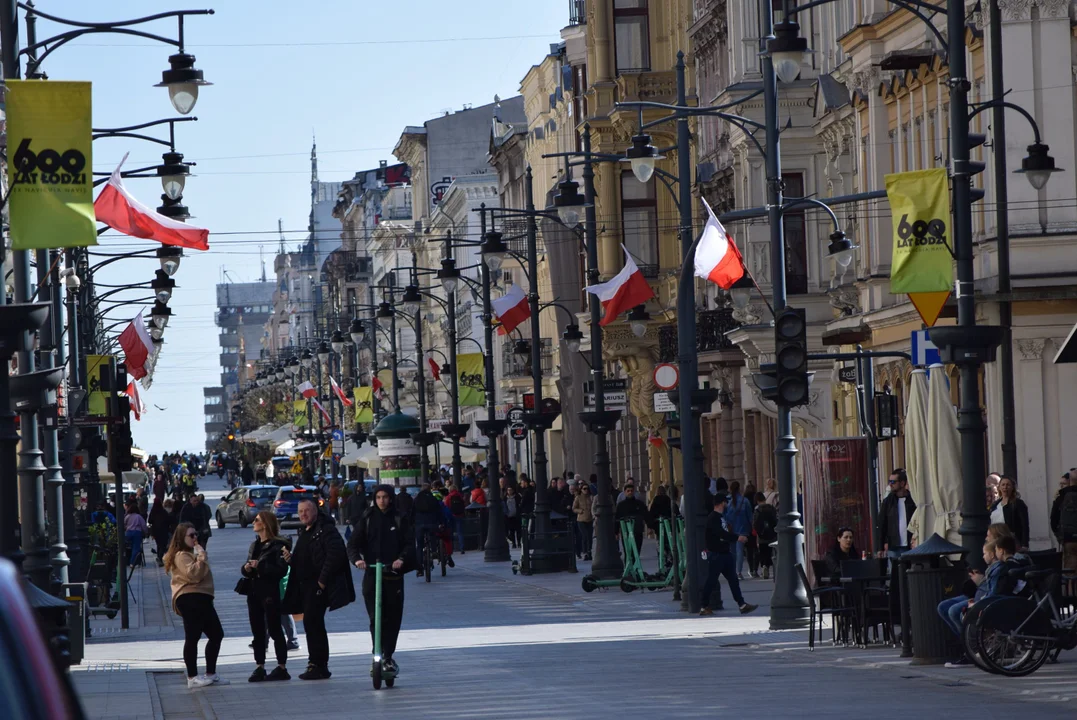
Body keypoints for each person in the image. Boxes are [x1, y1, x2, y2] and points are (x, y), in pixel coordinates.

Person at [281, 498, 355, 680]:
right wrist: (291, 559)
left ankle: (319, 665)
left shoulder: (325, 529)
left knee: (314, 623)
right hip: (305, 586)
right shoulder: (307, 531)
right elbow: (307, 557)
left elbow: (336, 554)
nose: (303, 514)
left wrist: (321, 582)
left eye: (306, 510)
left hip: (317, 586)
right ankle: (315, 663)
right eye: (300, 512)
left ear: (316, 511)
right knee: (311, 623)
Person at [347, 485, 414, 677]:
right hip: (372, 575)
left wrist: (401, 559)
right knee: (375, 618)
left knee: (393, 618)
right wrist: (358, 560)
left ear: (391, 498)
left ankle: (387, 655)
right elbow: (352, 544)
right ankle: (376, 653)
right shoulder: (367, 518)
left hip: (393, 576)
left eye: (385, 497)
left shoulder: (399, 518)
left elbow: (410, 543)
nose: (382, 501)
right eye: (378, 497)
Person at [165, 523, 227, 689]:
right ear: (181, 538)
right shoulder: (181, 555)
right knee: (193, 637)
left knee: (216, 634)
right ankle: (192, 677)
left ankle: (210, 673)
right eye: (191, 535)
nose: (195, 538)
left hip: (201, 598)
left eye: (196, 534)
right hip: (190, 598)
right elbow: (194, 574)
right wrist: (201, 557)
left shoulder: (188, 554)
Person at [241, 511, 291, 682]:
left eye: (257, 520)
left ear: (265, 524)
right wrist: (246, 568)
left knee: (275, 629)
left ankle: (282, 667)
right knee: (257, 631)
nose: (253, 522)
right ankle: (259, 666)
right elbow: (247, 566)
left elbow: (281, 570)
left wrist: (260, 566)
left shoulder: (279, 546)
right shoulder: (254, 545)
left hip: (269, 592)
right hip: (254, 591)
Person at [939, 541, 996, 666]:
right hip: (977, 594)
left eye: (988, 535)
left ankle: (971, 648)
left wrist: (979, 582)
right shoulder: (991, 566)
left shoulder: (997, 566)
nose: (986, 537)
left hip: (983, 597)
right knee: (943, 607)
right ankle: (968, 645)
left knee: (954, 611)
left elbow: (993, 590)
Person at [700, 494, 757, 616]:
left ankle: (742, 604)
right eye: (725, 503)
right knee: (711, 581)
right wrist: (738, 537)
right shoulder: (713, 518)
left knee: (733, 580)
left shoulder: (720, 517)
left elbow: (724, 532)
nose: (727, 505)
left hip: (724, 554)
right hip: (716, 555)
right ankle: (704, 606)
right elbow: (721, 533)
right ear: (721, 503)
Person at [877, 468, 916, 557]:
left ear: (902, 483)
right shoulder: (888, 502)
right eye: (889, 481)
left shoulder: (913, 500)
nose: (890, 484)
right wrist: (880, 547)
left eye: (893, 482)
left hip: (910, 545)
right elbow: (882, 524)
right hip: (893, 546)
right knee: (894, 569)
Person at [989, 475, 1030, 550]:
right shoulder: (995, 504)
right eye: (1003, 485)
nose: (1005, 487)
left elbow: (1025, 525)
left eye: (1008, 485)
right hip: (995, 541)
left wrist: (1025, 544)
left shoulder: (1018, 504)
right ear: (1000, 487)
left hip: (1011, 542)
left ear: (1012, 488)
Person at [724, 481, 754, 579]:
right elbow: (750, 516)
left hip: (731, 529)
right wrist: (751, 527)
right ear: (739, 488)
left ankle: (732, 571)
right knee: (740, 550)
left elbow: (725, 515)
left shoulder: (728, 501)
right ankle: (738, 572)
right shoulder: (745, 501)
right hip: (743, 528)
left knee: (732, 551)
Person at [1050, 469, 1077, 577]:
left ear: (1069, 482)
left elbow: (1053, 520)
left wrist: (1060, 535)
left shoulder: (1061, 497)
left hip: (1068, 539)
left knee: (1070, 570)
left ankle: (1070, 592)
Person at [615, 484, 649, 554]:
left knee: (637, 551)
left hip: (637, 531)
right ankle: (628, 564)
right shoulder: (621, 505)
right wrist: (616, 532)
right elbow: (617, 518)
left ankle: (635, 564)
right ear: (625, 492)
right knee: (627, 552)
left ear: (634, 492)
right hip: (625, 532)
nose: (630, 492)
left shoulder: (640, 504)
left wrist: (649, 527)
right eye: (628, 491)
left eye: (631, 491)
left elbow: (646, 515)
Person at [752, 493, 778, 579]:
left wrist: (758, 532)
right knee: (771, 553)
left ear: (757, 500)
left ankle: (764, 567)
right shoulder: (771, 508)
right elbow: (776, 520)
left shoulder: (757, 509)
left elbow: (755, 523)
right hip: (772, 535)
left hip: (761, 536)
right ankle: (771, 568)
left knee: (763, 553)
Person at [444, 483, 467, 554]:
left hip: (451, 516)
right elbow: (464, 504)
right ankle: (462, 548)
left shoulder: (448, 497)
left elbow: (446, 506)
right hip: (459, 515)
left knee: (450, 532)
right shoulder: (460, 496)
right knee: (460, 532)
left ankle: (452, 548)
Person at [573, 483, 594, 561]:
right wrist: (580, 511)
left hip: (590, 519)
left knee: (589, 537)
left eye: (587, 488)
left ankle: (589, 551)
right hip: (581, 520)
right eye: (584, 489)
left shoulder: (591, 497)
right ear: (581, 489)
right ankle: (585, 552)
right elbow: (574, 508)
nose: (586, 490)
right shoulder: (578, 497)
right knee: (584, 536)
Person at [149, 497, 172, 566]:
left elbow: (150, 520)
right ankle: (160, 557)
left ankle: (159, 557)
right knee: (163, 544)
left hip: (155, 530)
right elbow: (168, 520)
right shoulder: (163, 511)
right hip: (164, 530)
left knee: (159, 544)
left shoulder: (153, 511)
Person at [124, 501, 148, 567]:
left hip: (128, 533)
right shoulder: (138, 516)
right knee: (136, 547)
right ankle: (132, 562)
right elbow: (143, 526)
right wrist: (146, 532)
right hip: (137, 533)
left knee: (129, 547)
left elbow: (124, 525)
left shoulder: (127, 516)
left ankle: (128, 561)